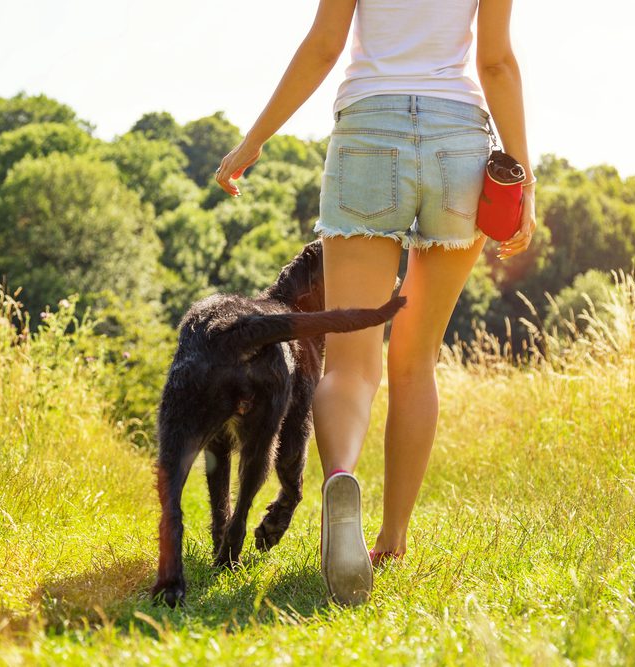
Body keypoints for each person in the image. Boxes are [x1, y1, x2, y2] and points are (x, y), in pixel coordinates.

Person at [214, 0, 538, 605]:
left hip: (368, 130)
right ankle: (392, 538)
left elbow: (324, 46)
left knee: (350, 364)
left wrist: (254, 141)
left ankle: (341, 477)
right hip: (459, 143)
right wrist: (524, 174)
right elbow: (496, 62)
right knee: (415, 364)